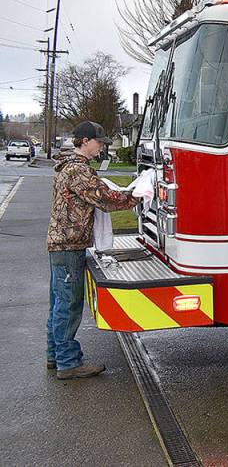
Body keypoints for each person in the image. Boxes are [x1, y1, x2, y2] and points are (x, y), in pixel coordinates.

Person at [47, 121, 139, 379]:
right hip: (69, 245)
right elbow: (106, 199)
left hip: (61, 243)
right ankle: (68, 363)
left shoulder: (69, 166)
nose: (102, 148)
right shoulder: (78, 171)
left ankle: (54, 355)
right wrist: (139, 195)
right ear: (85, 141)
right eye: (99, 143)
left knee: (58, 302)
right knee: (68, 305)